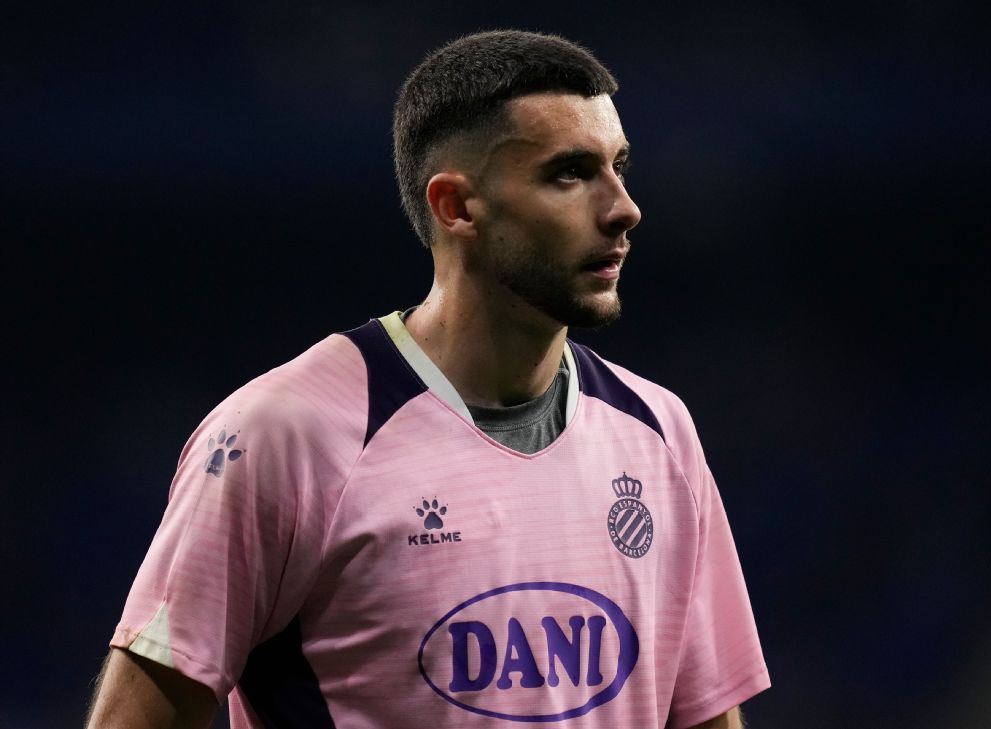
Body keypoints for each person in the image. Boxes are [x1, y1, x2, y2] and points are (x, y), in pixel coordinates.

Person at [87, 30, 770, 729]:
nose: (623, 207)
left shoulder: (659, 430)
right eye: (570, 173)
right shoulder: (283, 435)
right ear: (456, 206)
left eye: (619, 166)